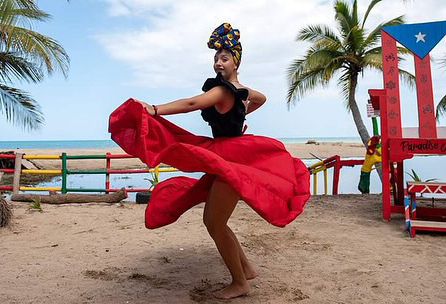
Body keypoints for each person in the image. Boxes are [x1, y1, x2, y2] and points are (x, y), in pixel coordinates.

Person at [109, 23, 310, 299]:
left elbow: (193, 103)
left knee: (214, 223)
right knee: (216, 220)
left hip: (230, 160)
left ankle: (240, 282)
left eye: (224, 58)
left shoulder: (224, 91)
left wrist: (155, 109)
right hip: (231, 155)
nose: (218, 63)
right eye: (216, 58)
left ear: (236, 61)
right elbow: (261, 98)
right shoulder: (238, 90)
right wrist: (244, 106)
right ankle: (247, 269)